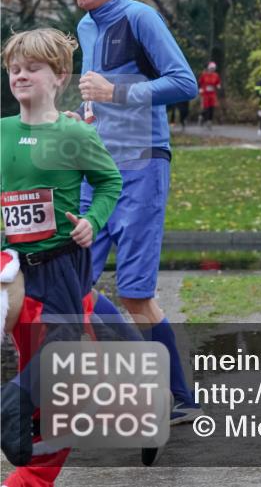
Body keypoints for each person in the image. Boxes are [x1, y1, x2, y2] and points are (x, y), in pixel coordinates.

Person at [71, 0, 201, 423]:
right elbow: (96, 95)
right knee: (72, 283)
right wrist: (85, 115)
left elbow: (183, 82)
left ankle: (180, 397)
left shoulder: (140, 18)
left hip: (143, 166)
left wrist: (116, 92)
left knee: (135, 293)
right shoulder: (85, 26)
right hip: (96, 167)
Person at [1, 29, 123, 482]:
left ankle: (20, 425)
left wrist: (94, 220)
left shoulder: (73, 132)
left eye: (33, 68)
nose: (21, 75)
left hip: (61, 265)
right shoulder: (2, 132)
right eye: (15, 69)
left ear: (60, 76)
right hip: (12, 273)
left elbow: (110, 181)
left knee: (69, 360)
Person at [197, 61, 221, 129]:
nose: (212, 70)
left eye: (213, 68)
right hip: (205, 93)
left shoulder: (216, 75)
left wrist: (218, 85)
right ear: (208, 68)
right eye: (211, 68)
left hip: (212, 94)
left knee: (212, 107)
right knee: (206, 108)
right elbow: (200, 82)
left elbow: (217, 82)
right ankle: (202, 117)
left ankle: (209, 121)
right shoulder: (204, 75)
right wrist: (200, 89)